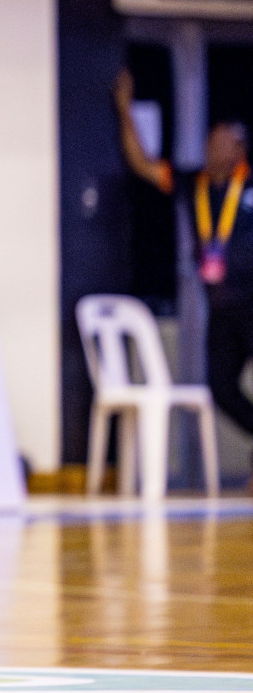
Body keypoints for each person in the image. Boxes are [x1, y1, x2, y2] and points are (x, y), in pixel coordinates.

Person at [115, 68, 253, 442]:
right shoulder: (195, 183)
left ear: (239, 149)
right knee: (221, 387)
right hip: (222, 307)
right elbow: (143, 164)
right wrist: (124, 108)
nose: (212, 151)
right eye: (209, 143)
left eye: (221, 144)